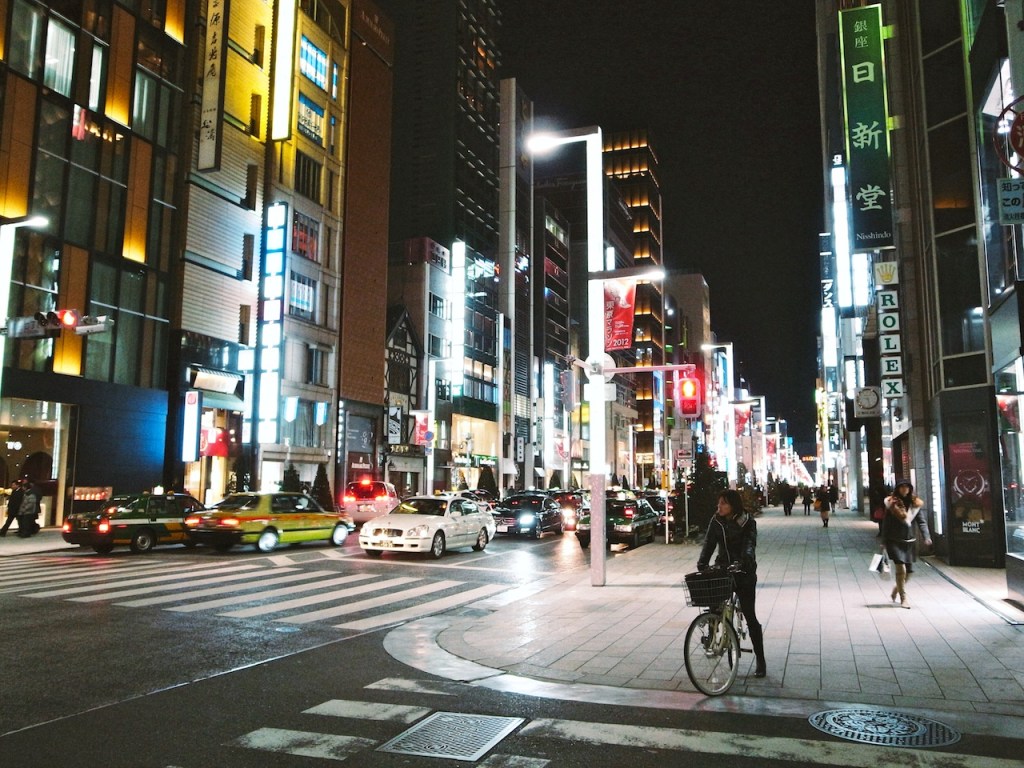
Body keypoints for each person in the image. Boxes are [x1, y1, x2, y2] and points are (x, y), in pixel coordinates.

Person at [696, 489, 766, 678]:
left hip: (743, 571)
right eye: (718, 503)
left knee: (750, 615)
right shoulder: (716, 520)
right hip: (723, 568)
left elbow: (750, 544)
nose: (719, 506)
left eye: (723, 503)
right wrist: (702, 563)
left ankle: (760, 659)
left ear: (733, 506)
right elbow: (709, 543)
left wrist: (745, 561)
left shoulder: (747, 522)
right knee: (714, 604)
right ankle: (712, 635)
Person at [882, 479, 932, 609]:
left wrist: (926, 536)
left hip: (909, 541)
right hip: (894, 540)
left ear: (910, 489)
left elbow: (921, 522)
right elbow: (886, 523)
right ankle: (903, 598)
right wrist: (883, 541)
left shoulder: (915, 504)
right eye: (902, 487)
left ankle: (896, 589)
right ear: (897, 489)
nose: (904, 489)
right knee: (901, 569)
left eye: (907, 487)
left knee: (909, 572)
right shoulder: (891, 504)